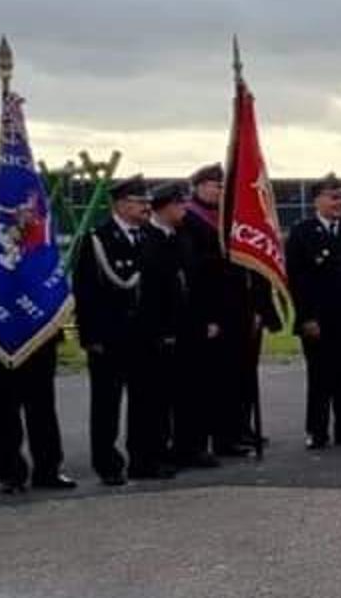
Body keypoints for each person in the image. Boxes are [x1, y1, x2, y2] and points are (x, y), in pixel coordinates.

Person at [0, 177, 75, 496]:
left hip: (37, 330)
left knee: (42, 405)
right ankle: (11, 473)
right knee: (5, 409)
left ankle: (48, 469)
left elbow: (49, 274)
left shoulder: (39, 232)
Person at [74, 176, 183, 482]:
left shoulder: (151, 238)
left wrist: (167, 329)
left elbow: (165, 288)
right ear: (120, 204)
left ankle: (144, 460)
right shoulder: (98, 238)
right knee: (107, 404)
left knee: (146, 402)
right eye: (139, 202)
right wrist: (90, 335)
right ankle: (108, 465)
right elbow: (85, 291)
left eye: (147, 202)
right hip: (110, 336)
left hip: (146, 335)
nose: (146, 207)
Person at [179, 163, 269, 457]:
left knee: (240, 374)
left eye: (222, 186)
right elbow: (196, 271)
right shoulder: (190, 220)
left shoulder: (231, 219)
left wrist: (258, 306)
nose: (220, 191)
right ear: (199, 187)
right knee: (216, 378)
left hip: (240, 308)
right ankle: (221, 437)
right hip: (214, 310)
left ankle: (239, 428)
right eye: (216, 186)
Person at [285, 173, 341, 449]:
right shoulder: (302, 233)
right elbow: (297, 280)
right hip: (318, 321)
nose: (340, 203)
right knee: (320, 378)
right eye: (334, 197)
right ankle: (317, 431)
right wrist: (306, 317)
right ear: (318, 200)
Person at [150, 182, 221, 471]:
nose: (185, 210)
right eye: (180, 205)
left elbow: (198, 282)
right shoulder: (149, 239)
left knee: (193, 391)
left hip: (191, 326)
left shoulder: (183, 237)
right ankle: (160, 449)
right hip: (163, 330)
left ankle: (191, 447)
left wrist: (208, 319)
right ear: (165, 207)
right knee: (160, 397)